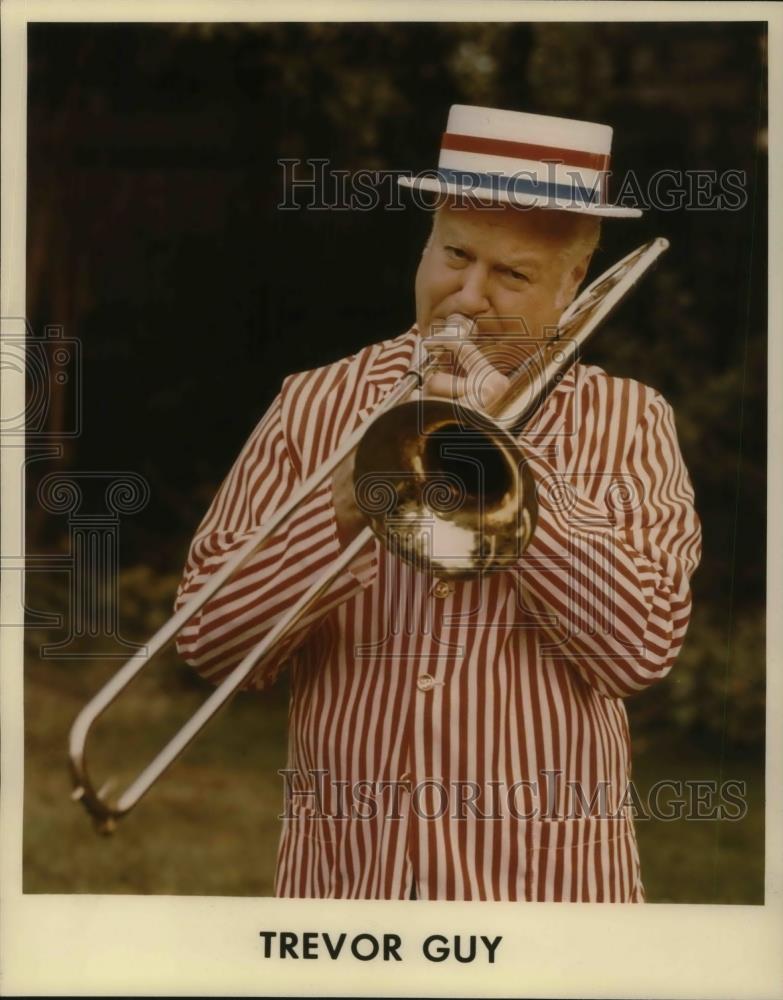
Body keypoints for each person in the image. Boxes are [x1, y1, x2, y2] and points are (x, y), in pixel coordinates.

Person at [174, 105, 702, 901]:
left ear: (570, 287)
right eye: (454, 255)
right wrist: (338, 510)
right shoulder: (313, 403)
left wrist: (513, 465)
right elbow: (207, 644)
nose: (468, 294)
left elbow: (638, 652)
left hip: (550, 899)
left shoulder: (629, 420)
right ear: (425, 242)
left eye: (513, 275)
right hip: (349, 895)